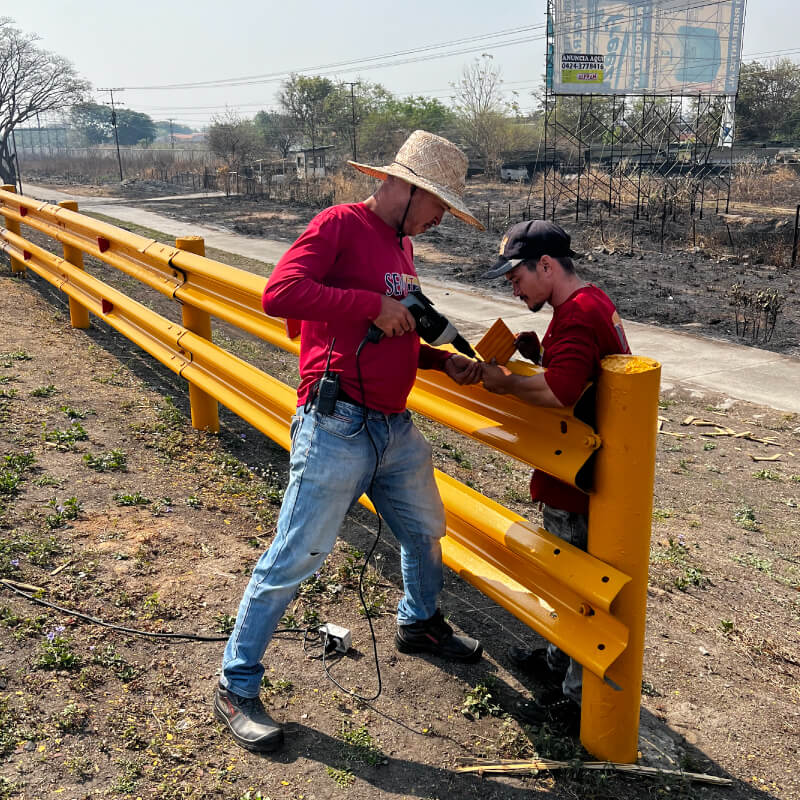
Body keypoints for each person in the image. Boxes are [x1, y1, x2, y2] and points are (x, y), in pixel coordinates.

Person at [214, 131, 485, 754]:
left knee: (425, 530)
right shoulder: (339, 223)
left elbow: (397, 331)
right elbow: (278, 293)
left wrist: (444, 364)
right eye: (439, 203)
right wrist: (366, 305)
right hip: (336, 423)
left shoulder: (403, 249)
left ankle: (418, 624)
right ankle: (236, 682)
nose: (441, 217)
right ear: (407, 187)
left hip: (392, 425)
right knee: (297, 556)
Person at [480, 219, 630, 734]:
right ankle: (556, 658)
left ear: (546, 265)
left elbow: (562, 391)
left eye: (516, 276)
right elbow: (579, 374)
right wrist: (536, 354)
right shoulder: (587, 303)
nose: (513, 287)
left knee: (574, 586)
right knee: (563, 574)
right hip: (578, 464)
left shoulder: (578, 315)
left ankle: (575, 698)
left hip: (580, 474)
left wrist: (504, 384)